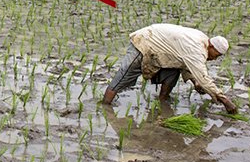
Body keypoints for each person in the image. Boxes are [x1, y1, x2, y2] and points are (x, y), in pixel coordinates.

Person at [102, 23, 238, 114]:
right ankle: (105, 108)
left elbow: (186, 64)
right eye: (217, 55)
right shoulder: (197, 49)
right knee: (122, 77)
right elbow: (204, 78)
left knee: (173, 72)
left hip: (158, 51)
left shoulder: (201, 41)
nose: (215, 58)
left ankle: (162, 102)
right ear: (212, 47)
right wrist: (225, 100)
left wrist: (194, 82)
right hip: (143, 42)